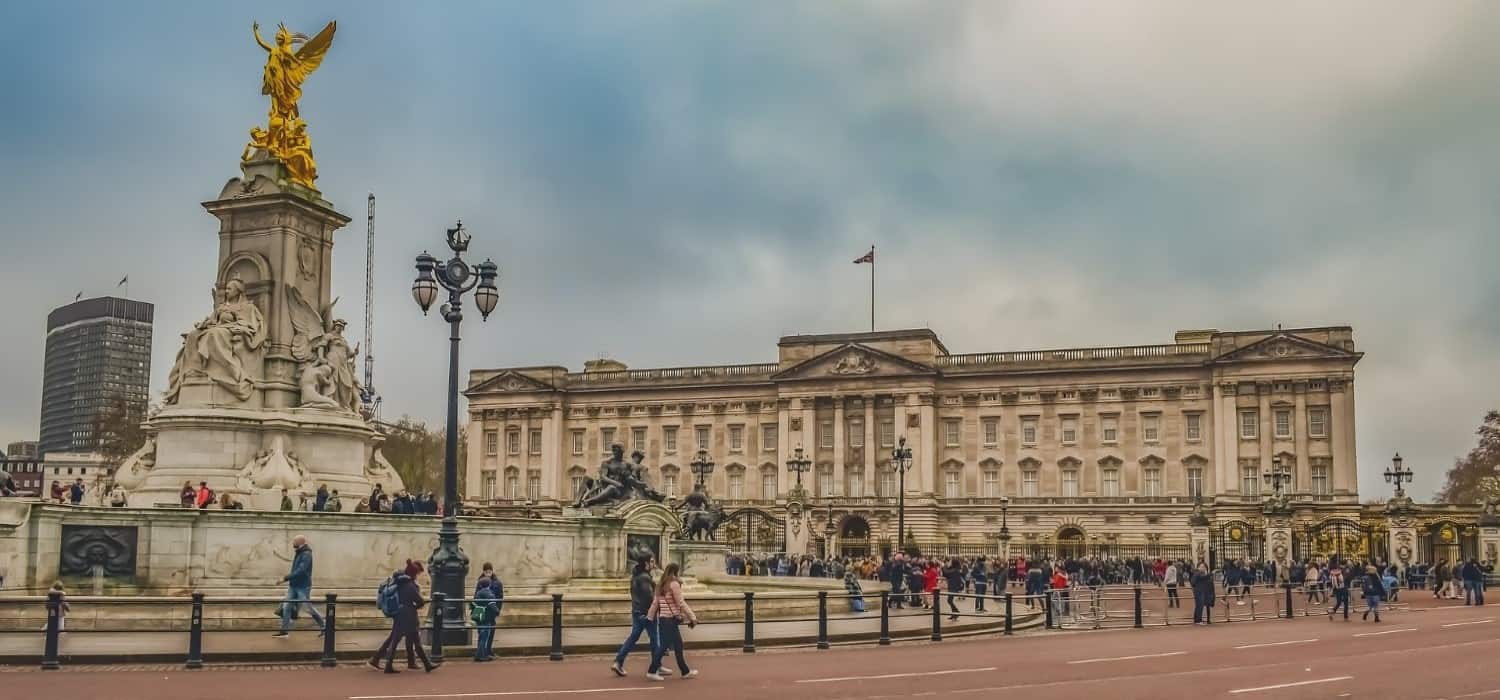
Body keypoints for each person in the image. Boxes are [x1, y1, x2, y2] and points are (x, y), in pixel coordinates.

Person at [374, 560, 436, 673]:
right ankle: (426, 664)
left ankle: (422, 664)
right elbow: (420, 601)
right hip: (409, 616)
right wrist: (416, 606)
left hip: (399, 614)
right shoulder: (410, 585)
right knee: (414, 642)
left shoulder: (399, 583)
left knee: (396, 640)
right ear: (413, 574)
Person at [611, 555, 666, 677]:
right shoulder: (645, 578)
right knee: (654, 639)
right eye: (652, 561)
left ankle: (618, 661)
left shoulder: (635, 576)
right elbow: (649, 597)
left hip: (636, 611)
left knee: (633, 637)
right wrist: (656, 609)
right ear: (646, 564)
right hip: (647, 613)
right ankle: (657, 665)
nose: (654, 564)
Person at [645, 562, 698, 681]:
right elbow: (681, 602)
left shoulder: (661, 585)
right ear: (676, 571)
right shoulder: (674, 584)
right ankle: (651, 671)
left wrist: (649, 617)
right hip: (671, 620)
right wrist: (692, 617)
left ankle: (685, 671)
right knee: (664, 646)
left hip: (663, 620)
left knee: (678, 645)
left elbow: (655, 604)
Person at [273, 535, 324, 637]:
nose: (293, 543)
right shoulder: (300, 552)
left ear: (300, 542)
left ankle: (325, 627)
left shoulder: (306, 554)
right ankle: (284, 631)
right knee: (287, 606)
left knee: (308, 608)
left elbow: (301, 571)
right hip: (294, 585)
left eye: (294, 541)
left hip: (303, 586)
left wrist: (285, 578)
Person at [472, 576, 501, 662]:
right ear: (489, 584)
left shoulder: (478, 593)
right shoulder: (489, 593)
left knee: (481, 636)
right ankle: (482, 656)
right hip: (486, 617)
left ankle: (478, 654)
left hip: (479, 616)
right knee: (484, 637)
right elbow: (492, 605)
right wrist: (497, 612)